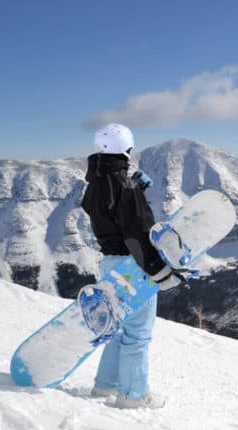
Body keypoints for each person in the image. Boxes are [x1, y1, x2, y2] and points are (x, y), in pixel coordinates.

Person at [81, 123, 181, 409]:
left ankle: (105, 386)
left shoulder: (95, 183)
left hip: (108, 263)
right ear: (127, 148)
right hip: (132, 265)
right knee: (137, 334)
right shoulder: (124, 184)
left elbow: (105, 212)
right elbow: (136, 232)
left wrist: (134, 189)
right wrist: (158, 271)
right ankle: (134, 395)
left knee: (118, 329)